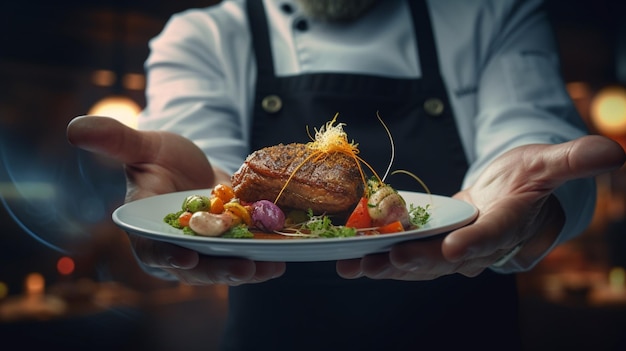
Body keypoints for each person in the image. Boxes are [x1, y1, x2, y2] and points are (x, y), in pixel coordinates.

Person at [67, 0, 626, 349]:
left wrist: (531, 202)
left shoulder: (493, 13)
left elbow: (534, 144)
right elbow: (206, 163)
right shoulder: (202, 35)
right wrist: (199, 197)